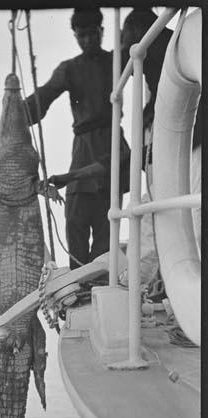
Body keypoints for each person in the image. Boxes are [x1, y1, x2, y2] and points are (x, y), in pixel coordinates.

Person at [24, 8, 130, 269]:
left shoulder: (117, 61)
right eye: (81, 36)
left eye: (92, 34)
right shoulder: (69, 69)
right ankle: (78, 288)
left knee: (106, 232)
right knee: (75, 223)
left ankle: (99, 286)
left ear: (101, 32)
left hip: (111, 143)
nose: (87, 41)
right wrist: (13, 115)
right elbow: (43, 98)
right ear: (75, 36)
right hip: (82, 148)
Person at [119, 8, 202, 291]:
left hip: (192, 145)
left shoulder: (167, 49)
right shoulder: (169, 52)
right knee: (165, 210)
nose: (128, 49)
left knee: (190, 214)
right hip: (178, 143)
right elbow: (161, 95)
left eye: (126, 39)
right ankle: (157, 284)